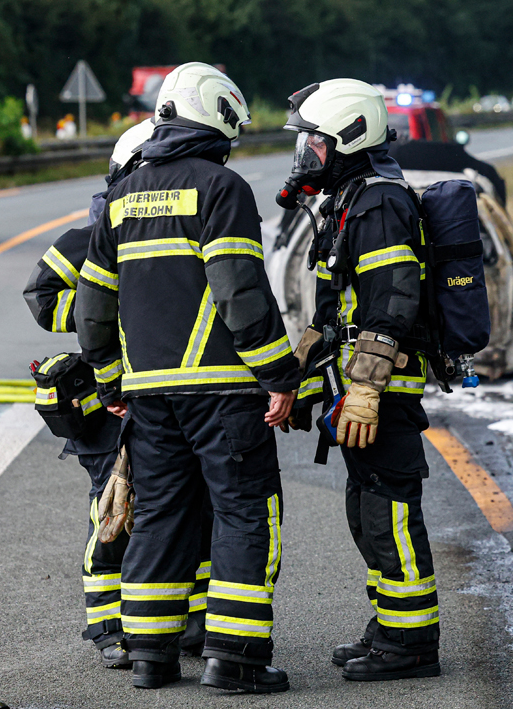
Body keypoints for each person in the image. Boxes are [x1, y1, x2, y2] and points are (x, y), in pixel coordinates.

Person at [75, 63, 299, 693]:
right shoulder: (221, 188)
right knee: (240, 513)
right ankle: (235, 660)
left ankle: (149, 655)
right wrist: (279, 373)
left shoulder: (120, 198)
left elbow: (95, 303)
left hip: (149, 396)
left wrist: (111, 382)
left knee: (161, 516)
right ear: (218, 118)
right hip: (224, 390)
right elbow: (240, 293)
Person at [24, 120, 212, 669]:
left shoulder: (179, 228)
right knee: (112, 511)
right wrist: (100, 327)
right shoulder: (89, 236)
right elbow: (41, 297)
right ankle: (109, 629)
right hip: (111, 399)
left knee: (183, 509)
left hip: (162, 391)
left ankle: (186, 626)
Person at [281, 78, 442, 682]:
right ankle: (389, 629)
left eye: (315, 143)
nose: (306, 155)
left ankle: (412, 644)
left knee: (390, 512)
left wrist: (369, 388)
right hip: (355, 389)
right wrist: (298, 381)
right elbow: (332, 314)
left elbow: (392, 303)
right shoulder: (350, 201)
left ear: (350, 136)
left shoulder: (377, 205)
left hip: (384, 392)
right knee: (365, 508)